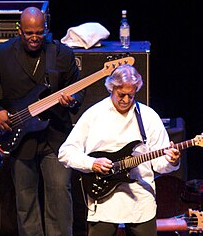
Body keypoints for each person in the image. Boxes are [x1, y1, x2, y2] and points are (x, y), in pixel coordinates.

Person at [0, 6, 84, 235]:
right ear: (19, 31)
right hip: (20, 138)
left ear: (46, 29)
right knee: (26, 204)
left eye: (39, 32)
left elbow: (79, 91)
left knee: (60, 201)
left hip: (54, 138)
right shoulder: (2, 54)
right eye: (29, 33)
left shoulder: (62, 54)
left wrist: (71, 101)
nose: (35, 38)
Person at [58, 64, 181, 236]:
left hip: (140, 198)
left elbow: (159, 165)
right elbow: (66, 152)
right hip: (104, 198)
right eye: (121, 94)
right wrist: (92, 163)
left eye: (131, 95)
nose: (125, 100)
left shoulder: (148, 116)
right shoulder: (94, 114)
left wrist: (171, 160)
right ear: (111, 88)